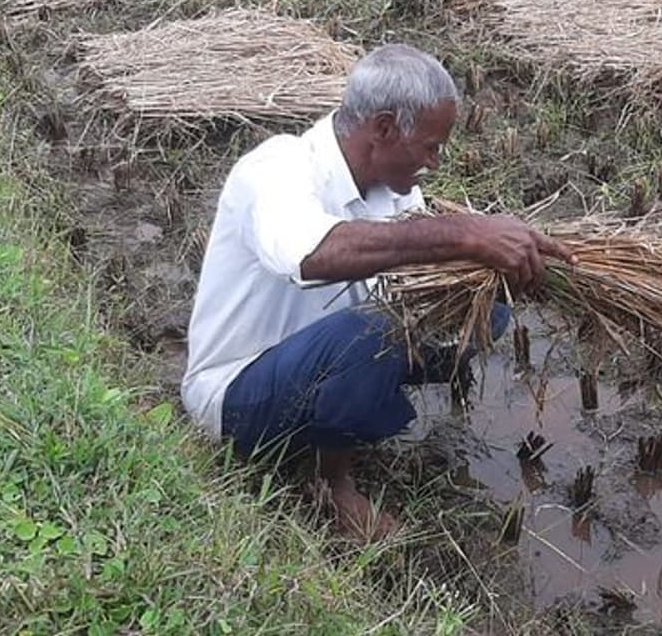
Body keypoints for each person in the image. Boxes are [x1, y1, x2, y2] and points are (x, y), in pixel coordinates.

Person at [181, 44, 574, 541]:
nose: (435, 161)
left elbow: (411, 287)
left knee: (487, 313)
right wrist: (462, 233)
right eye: (430, 146)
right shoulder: (277, 169)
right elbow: (315, 255)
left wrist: (497, 271)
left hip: (319, 362)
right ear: (385, 128)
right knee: (376, 328)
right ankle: (330, 483)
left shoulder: (396, 190)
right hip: (238, 395)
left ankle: (337, 419)